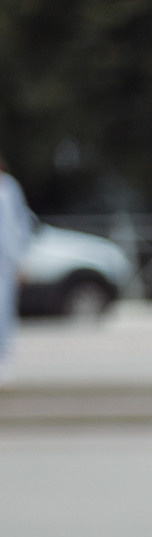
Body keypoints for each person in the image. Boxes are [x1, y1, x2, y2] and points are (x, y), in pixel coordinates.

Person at [0, 152, 32, 386]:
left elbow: (18, 226)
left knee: (4, 311)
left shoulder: (8, 188)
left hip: (5, 263)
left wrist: (19, 259)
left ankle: (5, 359)